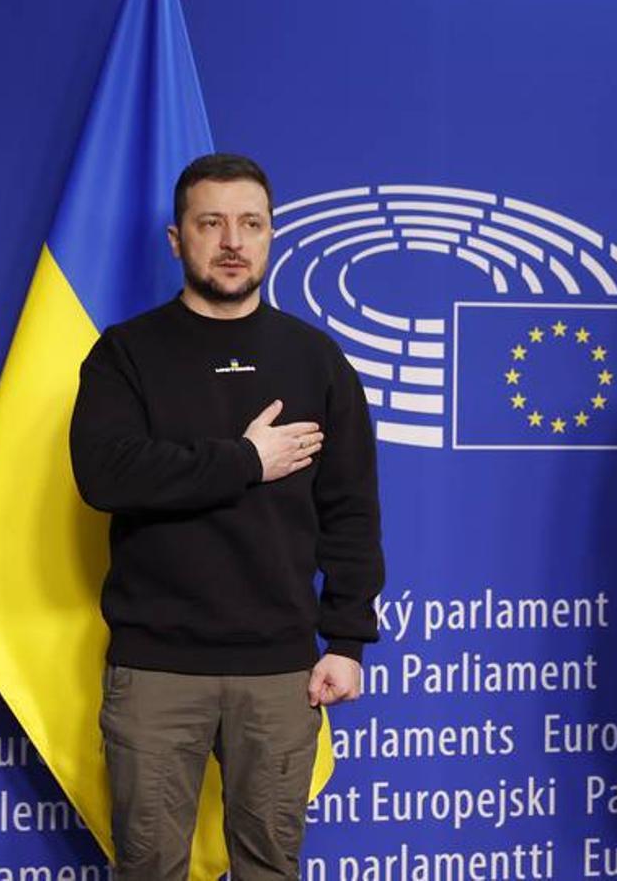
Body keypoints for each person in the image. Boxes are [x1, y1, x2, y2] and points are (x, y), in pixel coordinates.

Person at [69, 153, 384, 880]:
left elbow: (352, 509)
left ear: (271, 236)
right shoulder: (126, 353)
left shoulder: (317, 360)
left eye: (251, 224)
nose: (233, 241)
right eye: (211, 223)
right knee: (148, 867)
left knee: (269, 867)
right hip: (154, 668)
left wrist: (346, 638)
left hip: (280, 669)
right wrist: (245, 460)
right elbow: (106, 474)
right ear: (178, 240)